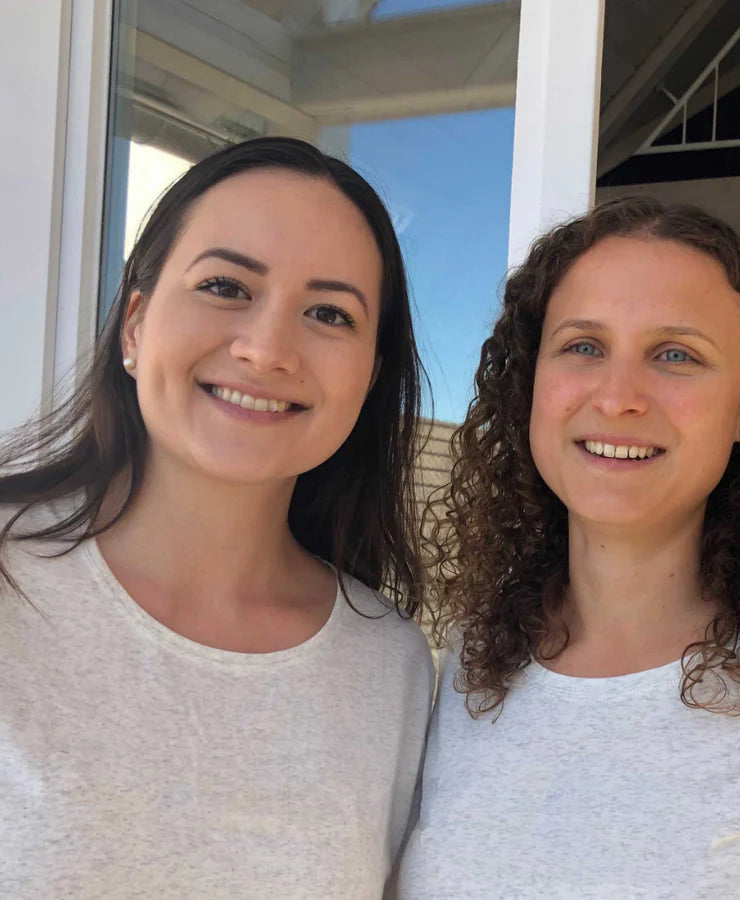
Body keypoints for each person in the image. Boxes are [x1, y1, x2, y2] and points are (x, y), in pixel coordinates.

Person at [396, 197, 740, 899]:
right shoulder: (471, 664)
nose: (619, 395)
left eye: (675, 354)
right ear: (531, 382)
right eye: (583, 346)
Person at [0, 137, 434, 898]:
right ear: (135, 325)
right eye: (227, 287)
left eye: (329, 313)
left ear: (370, 376)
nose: (267, 348)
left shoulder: (387, 665)